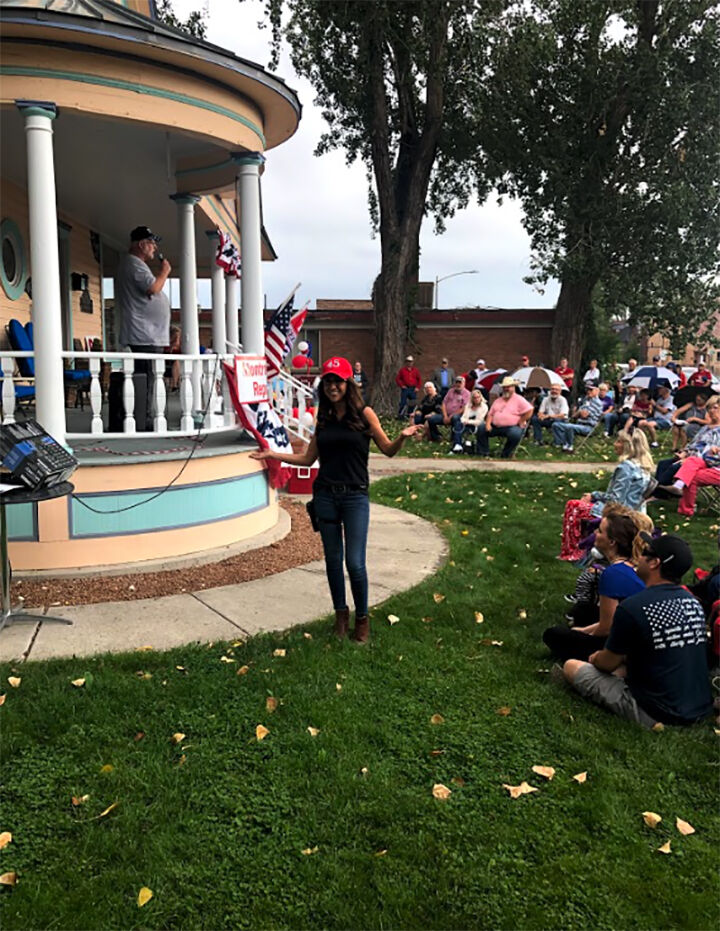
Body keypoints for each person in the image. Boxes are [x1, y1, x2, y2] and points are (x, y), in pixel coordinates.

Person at [250, 357, 419, 643]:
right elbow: (308, 458)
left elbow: (388, 450)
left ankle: (362, 620)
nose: (333, 387)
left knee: (355, 563)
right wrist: (273, 454)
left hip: (355, 496)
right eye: (328, 381)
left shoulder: (365, 414)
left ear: (348, 384)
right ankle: (341, 616)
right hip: (325, 496)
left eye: (338, 381)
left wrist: (402, 437)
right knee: (332, 561)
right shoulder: (324, 418)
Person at [561, 533, 713, 728]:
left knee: (572, 666)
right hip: (698, 704)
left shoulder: (634, 607)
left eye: (643, 553)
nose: (637, 558)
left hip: (658, 711)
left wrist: (596, 657)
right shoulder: (693, 603)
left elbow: (606, 664)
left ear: (654, 563)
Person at [544, 511, 646, 662]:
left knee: (553, 634)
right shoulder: (630, 565)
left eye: (600, 531)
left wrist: (583, 634)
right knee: (583, 611)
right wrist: (584, 631)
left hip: (624, 645)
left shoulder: (612, 574)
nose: (595, 533)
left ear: (612, 542)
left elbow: (607, 627)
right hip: (633, 633)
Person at [559, 430, 654, 561]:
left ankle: (574, 552)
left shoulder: (626, 468)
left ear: (628, 446)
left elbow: (615, 500)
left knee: (574, 506)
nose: (615, 444)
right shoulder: (644, 466)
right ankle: (587, 546)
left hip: (621, 514)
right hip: (636, 512)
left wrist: (593, 495)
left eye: (619, 441)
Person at [116, 225, 171, 374]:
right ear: (141, 244)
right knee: (146, 383)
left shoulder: (136, 264)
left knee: (150, 382)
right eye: (151, 243)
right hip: (143, 338)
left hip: (149, 337)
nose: (155, 247)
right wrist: (164, 272)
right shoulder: (133, 263)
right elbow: (153, 288)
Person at [657, 397, 720, 514]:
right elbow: (693, 444)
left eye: (715, 408)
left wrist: (714, 451)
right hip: (697, 461)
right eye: (709, 408)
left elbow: (711, 455)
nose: (711, 411)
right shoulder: (705, 428)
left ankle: (677, 499)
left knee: (688, 472)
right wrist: (684, 453)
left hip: (712, 464)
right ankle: (664, 492)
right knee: (664, 464)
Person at [476, 376, 533, 458]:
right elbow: (490, 414)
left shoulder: (519, 399)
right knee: (481, 427)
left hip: (512, 427)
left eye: (508, 387)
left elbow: (530, 410)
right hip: (495, 427)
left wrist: (522, 420)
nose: (506, 389)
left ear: (513, 387)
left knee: (515, 434)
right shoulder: (498, 400)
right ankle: (484, 453)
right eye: (504, 387)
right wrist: (488, 424)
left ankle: (506, 453)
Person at [552, 385, 603, 452]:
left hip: (588, 427)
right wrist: (579, 412)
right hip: (578, 424)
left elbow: (584, 415)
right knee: (556, 425)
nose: (588, 392)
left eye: (591, 390)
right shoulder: (585, 400)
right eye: (588, 390)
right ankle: (560, 443)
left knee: (569, 427)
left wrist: (579, 412)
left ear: (597, 391)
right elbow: (574, 415)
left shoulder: (597, 402)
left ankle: (569, 446)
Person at [426, 375, 470, 451]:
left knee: (456, 418)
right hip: (446, 415)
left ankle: (455, 441)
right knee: (431, 419)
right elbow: (444, 403)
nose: (458, 384)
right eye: (457, 382)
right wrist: (445, 416)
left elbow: (464, 408)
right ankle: (437, 437)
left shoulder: (467, 393)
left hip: (458, 416)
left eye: (460, 383)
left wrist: (451, 416)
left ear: (464, 384)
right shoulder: (450, 391)